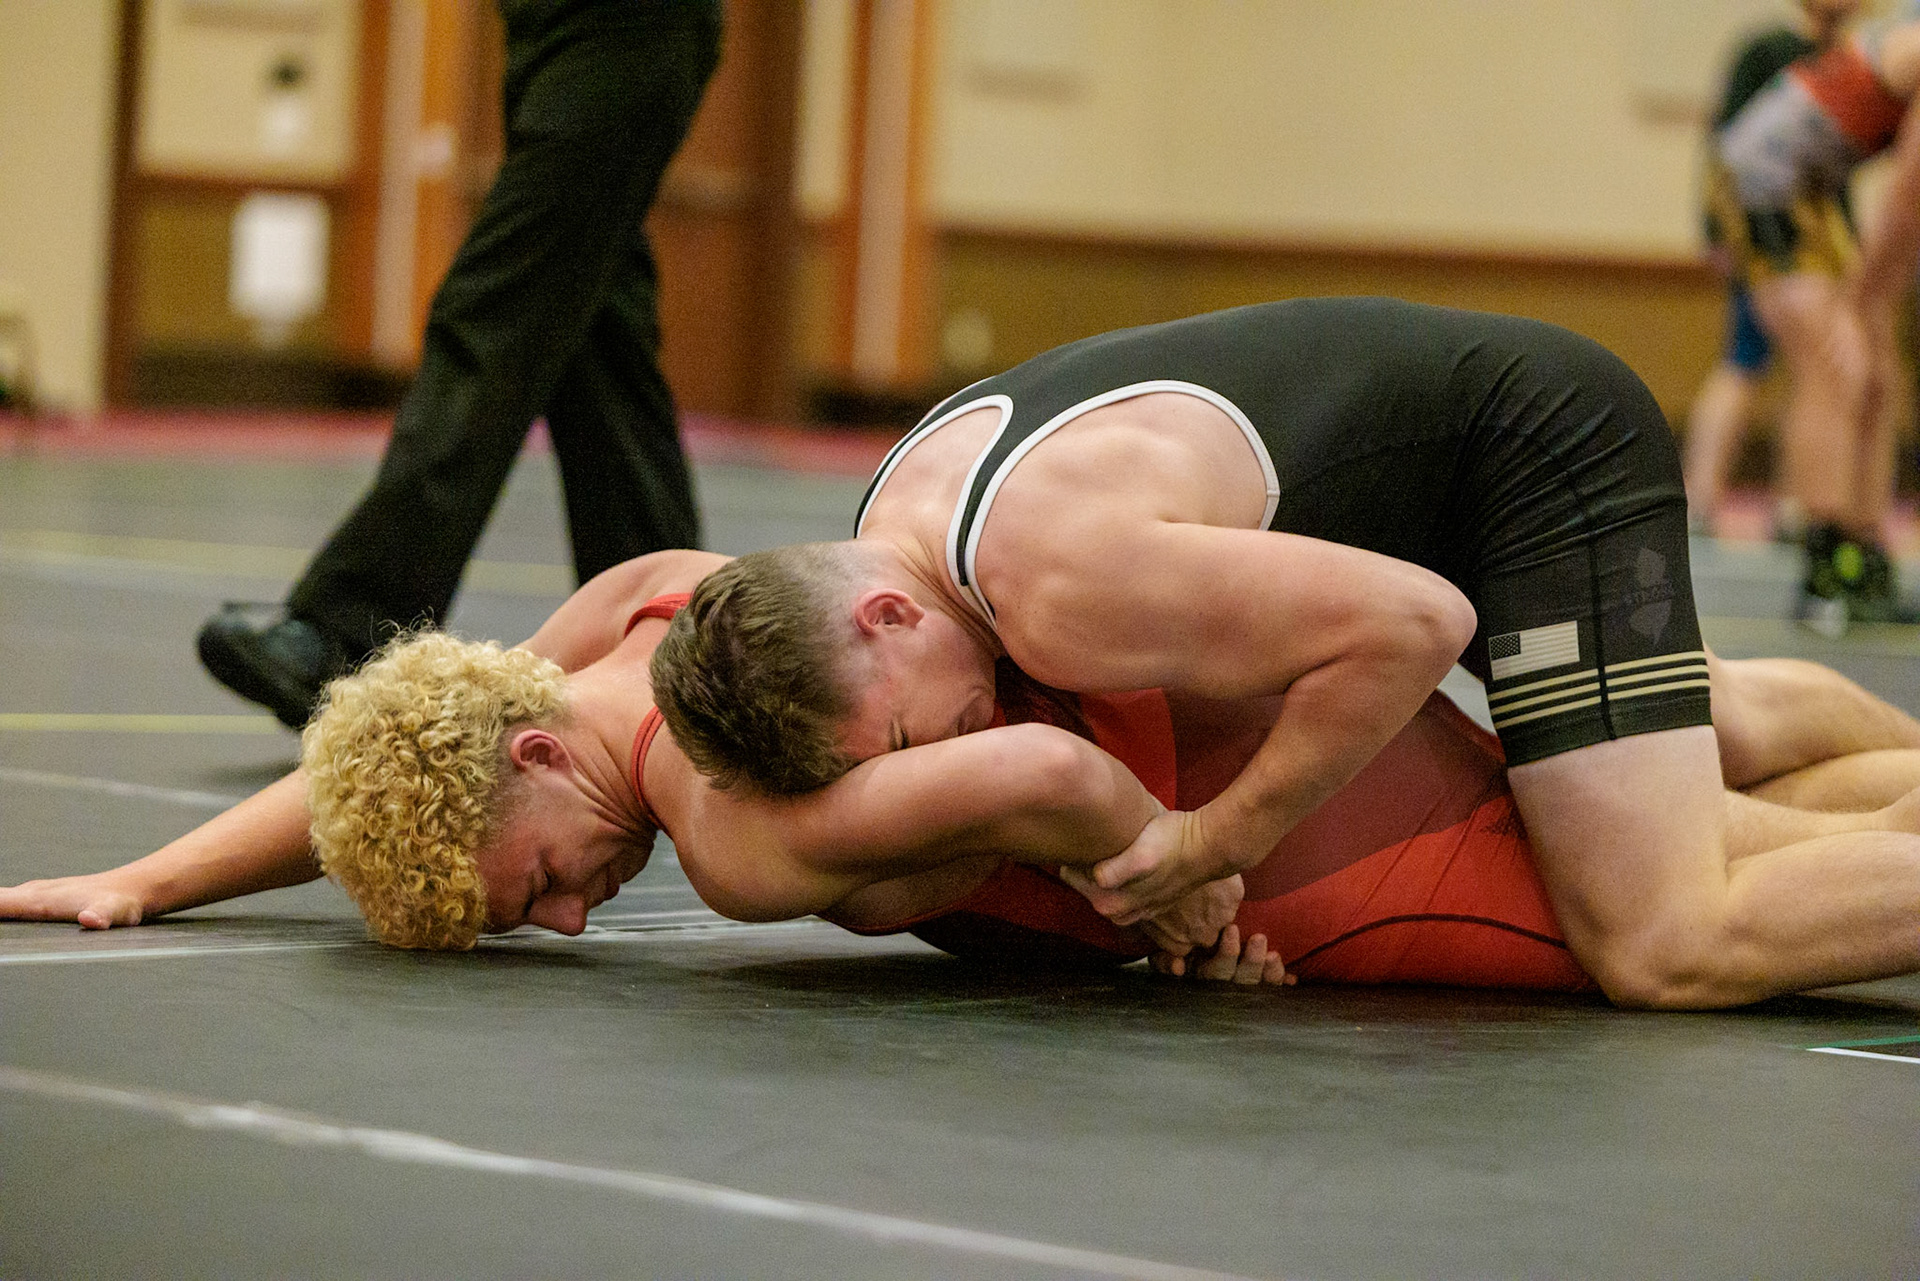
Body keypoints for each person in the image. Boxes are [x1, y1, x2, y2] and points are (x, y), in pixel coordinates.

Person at [649, 296, 1920, 1009]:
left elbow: (1416, 625)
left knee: (1665, 937)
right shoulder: (895, 512)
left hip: (1527, 462)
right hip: (1458, 443)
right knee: (1711, 734)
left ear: (884, 619)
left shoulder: (1052, 591)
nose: (944, 753)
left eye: (907, 739)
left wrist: (1219, 839)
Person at [6, 549, 1919, 996]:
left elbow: (1055, 790)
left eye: (542, 886)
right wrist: (155, 877)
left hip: (1297, 848)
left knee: (1680, 930)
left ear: (527, 750)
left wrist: (1181, 890)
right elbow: (385, 766)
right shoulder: (642, 609)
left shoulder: (736, 834)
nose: (578, 916)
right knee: (1684, 755)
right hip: (1233, 680)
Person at [197, 0, 722, 729]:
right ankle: (671, 649)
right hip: (554, 35)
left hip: (622, 28)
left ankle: (351, 628)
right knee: (602, 351)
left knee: (493, 310)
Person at [1707, 3, 1920, 630]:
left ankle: (1864, 553)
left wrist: (1869, 300)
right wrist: (1861, 300)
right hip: (1762, 179)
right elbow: (1905, 204)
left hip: (1814, 188)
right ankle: (1825, 568)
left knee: (1879, 378)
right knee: (1836, 368)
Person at [1685, 0, 1859, 536]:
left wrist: (1850, 249)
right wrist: (1717, 229)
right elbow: (1726, 143)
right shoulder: (1768, 50)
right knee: (1745, 359)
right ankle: (1700, 498)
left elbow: (1834, 177)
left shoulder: (1847, 59)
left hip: (1814, 239)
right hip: (1767, 236)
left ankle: (1796, 501)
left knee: (1809, 373)